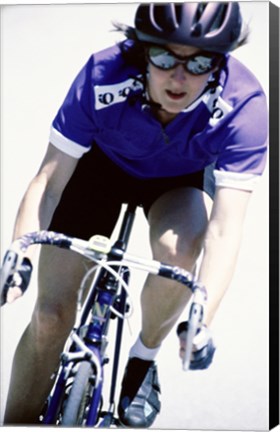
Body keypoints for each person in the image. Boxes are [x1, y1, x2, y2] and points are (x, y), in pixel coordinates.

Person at [2, 2, 268, 427]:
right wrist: (21, 255)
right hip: (98, 170)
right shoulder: (103, 74)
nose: (179, 77)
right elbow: (48, 184)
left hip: (178, 181)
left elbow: (224, 230)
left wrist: (203, 318)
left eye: (200, 62)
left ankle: (142, 360)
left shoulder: (245, 105)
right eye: (164, 57)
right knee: (49, 319)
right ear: (142, 49)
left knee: (180, 254)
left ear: (220, 63)